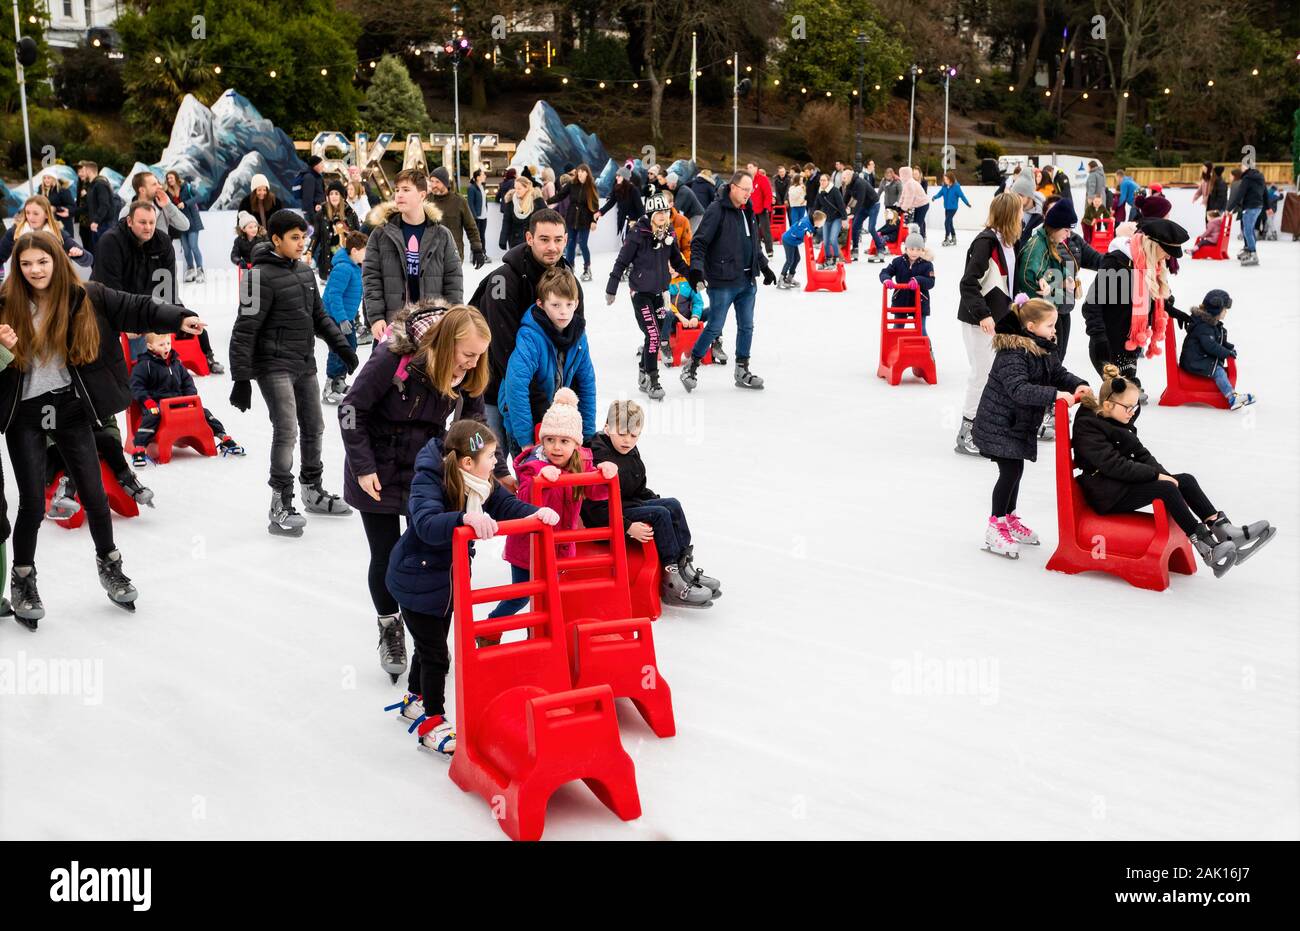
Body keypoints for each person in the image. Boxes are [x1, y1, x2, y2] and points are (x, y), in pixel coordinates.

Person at [0, 230, 205, 625]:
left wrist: (179, 317)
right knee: (29, 503)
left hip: (70, 408)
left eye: (42, 262)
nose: (35, 270)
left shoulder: (86, 296)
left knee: (95, 495)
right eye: (26, 264)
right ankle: (23, 579)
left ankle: (110, 566)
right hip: (24, 414)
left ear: (57, 260)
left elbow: (137, 307)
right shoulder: (6, 304)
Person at [382, 419, 558, 754]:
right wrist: (462, 519)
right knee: (436, 654)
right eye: (490, 456)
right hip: (415, 579)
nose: (495, 463)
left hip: (443, 583)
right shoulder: (429, 480)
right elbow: (426, 524)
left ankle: (414, 699)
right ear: (466, 462)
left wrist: (537, 513)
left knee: (427, 644)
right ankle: (433, 721)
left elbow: (505, 506)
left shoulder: (479, 485)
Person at [341, 303, 492, 683]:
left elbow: (474, 427)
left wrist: (495, 470)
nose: (473, 364)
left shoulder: (468, 373)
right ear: (445, 343)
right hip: (375, 466)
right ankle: (390, 627)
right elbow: (350, 408)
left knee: (428, 552)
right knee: (387, 553)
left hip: (423, 469)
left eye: (479, 355)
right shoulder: (395, 357)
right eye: (467, 355)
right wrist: (363, 467)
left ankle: (425, 638)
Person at [227, 209, 359, 535]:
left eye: (304, 237)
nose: (302, 244)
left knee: (314, 425)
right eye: (295, 238)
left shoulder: (304, 272)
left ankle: (312, 489)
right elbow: (244, 329)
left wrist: (341, 346)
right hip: (272, 365)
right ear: (276, 240)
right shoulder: (257, 277)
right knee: (286, 429)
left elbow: (320, 317)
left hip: (303, 362)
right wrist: (241, 378)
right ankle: (280, 502)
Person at [1072, 365, 1274, 576]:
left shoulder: (1117, 419)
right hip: (1107, 493)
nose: (1133, 413)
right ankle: (1208, 549)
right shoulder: (1089, 427)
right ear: (1108, 404)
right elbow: (1113, 465)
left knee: (1185, 480)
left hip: (1120, 483)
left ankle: (1225, 531)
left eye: (1135, 407)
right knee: (1166, 489)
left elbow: (1142, 455)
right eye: (1128, 407)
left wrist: (1165, 475)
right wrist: (1157, 477)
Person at [481, 390, 616, 641]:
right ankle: (491, 627)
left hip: (559, 547)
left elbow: (595, 493)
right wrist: (540, 480)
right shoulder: (533, 465)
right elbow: (523, 500)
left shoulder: (581, 464)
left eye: (564, 441)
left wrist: (603, 474)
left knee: (549, 594)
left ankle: (539, 637)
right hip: (527, 549)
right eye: (550, 440)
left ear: (576, 444)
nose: (556, 447)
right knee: (522, 594)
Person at [973, 297, 1092, 559]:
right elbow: (1019, 390)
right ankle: (996, 525)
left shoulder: (1043, 347)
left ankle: (1009, 517)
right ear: (1030, 325)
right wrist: (1055, 395)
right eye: (1050, 325)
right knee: (1011, 470)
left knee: (1016, 469)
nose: (1054, 331)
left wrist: (1076, 384)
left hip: (1017, 424)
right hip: (1000, 423)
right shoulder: (1012, 353)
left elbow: (1057, 374)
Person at [470, 208, 582, 484]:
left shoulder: (569, 281)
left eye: (558, 239)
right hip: (492, 390)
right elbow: (503, 352)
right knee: (487, 471)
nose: (552, 246)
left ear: (566, 240)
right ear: (529, 238)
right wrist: (542, 405)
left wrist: (567, 402)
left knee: (541, 474)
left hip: (544, 393)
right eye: (544, 239)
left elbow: (575, 344)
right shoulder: (503, 281)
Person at [581, 399, 719, 607]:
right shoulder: (600, 457)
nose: (627, 440)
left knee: (672, 505)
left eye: (634, 435)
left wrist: (659, 501)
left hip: (626, 505)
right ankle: (671, 581)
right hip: (605, 517)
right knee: (659, 514)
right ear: (607, 428)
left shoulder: (629, 451)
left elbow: (637, 489)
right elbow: (594, 509)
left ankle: (684, 567)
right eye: (622, 433)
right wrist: (627, 526)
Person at [92, 199, 223, 374]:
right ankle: (135, 378)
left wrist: (176, 315)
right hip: (111, 303)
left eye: (152, 222)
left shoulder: (162, 241)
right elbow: (109, 287)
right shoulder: (111, 242)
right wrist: (126, 321)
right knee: (132, 338)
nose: (148, 227)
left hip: (148, 301)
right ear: (130, 222)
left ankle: (204, 357)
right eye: (142, 222)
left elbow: (168, 286)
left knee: (187, 317)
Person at [680, 171, 775, 392]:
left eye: (751, 191)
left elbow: (754, 244)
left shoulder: (748, 210)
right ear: (733, 187)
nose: (748, 194)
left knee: (747, 327)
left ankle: (742, 369)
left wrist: (764, 266)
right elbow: (699, 243)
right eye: (745, 190)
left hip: (747, 280)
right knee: (714, 326)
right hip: (722, 280)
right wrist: (696, 269)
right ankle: (691, 366)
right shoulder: (716, 210)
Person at [605, 193, 696, 401]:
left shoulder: (668, 233)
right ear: (650, 214)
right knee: (654, 335)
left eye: (665, 211)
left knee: (653, 336)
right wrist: (612, 287)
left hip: (661, 294)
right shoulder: (638, 234)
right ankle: (654, 381)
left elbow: (678, 261)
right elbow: (621, 262)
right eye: (658, 212)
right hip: (641, 294)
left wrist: (693, 277)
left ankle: (643, 370)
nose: (663, 216)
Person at [1081, 217, 1188, 391]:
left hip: (1130, 344)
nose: (1168, 257)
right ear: (1154, 246)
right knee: (1118, 398)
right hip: (1109, 345)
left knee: (1129, 399)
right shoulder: (1116, 263)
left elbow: (1151, 299)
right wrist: (1098, 337)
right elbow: (1091, 305)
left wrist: (1173, 311)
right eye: (1167, 251)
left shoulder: (1149, 265)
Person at [955, 192, 1023, 456]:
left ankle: (986, 427)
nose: (1021, 217)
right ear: (1009, 215)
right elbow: (968, 283)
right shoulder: (986, 242)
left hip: (999, 320)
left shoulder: (1008, 242)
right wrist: (983, 314)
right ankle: (967, 433)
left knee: (996, 376)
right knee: (981, 375)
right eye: (1018, 212)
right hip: (979, 322)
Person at [362, 168, 463, 341]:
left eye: (406, 190)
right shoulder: (381, 234)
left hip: (432, 326)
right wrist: (376, 317)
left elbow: (453, 280)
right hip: (392, 325)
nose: (399, 195)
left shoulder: (442, 235)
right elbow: (371, 278)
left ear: (422, 195)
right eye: (397, 190)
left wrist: (451, 318)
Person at [502, 267, 595, 450]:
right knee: (532, 476)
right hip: (523, 418)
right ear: (541, 304)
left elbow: (587, 384)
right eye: (556, 305)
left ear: (576, 304)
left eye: (569, 305)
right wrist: (525, 441)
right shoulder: (530, 336)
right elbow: (516, 386)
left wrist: (588, 436)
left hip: (556, 421)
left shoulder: (579, 337)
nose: (563, 312)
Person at [128, 331, 243, 460]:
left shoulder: (176, 363)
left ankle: (224, 437)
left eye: (168, 343)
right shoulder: (144, 365)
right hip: (157, 404)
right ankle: (140, 447)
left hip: (179, 402)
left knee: (203, 412)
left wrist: (190, 398)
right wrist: (148, 402)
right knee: (152, 417)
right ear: (150, 347)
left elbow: (188, 382)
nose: (166, 347)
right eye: (161, 345)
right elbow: (136, 387)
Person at [1174, 289, 1254, 410]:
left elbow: (1216, 341)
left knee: (1218, 368)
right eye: (1225, 309)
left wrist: (1227, 346)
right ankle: (1232, 397)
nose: (1226, 312)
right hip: (1194, 362)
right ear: (1216, 310)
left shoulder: (1209, 323)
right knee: (1218, 371)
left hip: (1199, 358)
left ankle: (1231, 395)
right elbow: (1210, 346)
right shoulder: (1203, 326)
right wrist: (1227, 353)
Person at [321, 231, 368, 404]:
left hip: (345, 317)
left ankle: (339, 380)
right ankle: (330, 386)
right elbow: (334, 295)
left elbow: (352, 296)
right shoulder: (343, 268)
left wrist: (352, 317)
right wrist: (341, 318)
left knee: (350, 347)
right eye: (365, 250)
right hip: (334, 317)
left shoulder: (355, 267)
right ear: (355, 251)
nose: (367, 254)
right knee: (338, 350)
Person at [0, 196, 91, 269]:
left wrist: (79, 254)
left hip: (53, 283)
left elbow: (88, 260)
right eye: (27, 213)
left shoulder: (57, 233)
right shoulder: (16, 231)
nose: (30, 217)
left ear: (47, 214)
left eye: (36, 213)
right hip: (23, 283)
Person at [548, 163, 600, 278]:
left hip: (585, 220)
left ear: (587, 173)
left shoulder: (591, 187)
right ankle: (569, 268)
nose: (580, 173)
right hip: (571, 219)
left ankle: (587, 268)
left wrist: (594, 221)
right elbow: (560, 196)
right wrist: (547, 201)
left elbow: (595, 206)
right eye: (579, 171)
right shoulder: (572, 184)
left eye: (583, 171)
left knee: (583, 244)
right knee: (570, 244)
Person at [427, 166, 486, 268]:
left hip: (453, 254)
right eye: (432, 181)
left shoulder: (459, 201)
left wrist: (477, 249)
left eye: (437, 182)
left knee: (452, 283)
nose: (433, 185)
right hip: (431, 255)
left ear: (445, 183)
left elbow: (471, 227)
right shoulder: (426, 201)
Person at [879, 227, 935, 333]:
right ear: (906, 249)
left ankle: (927, 348)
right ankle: (896, 346)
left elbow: (931, 282)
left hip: (920, 301)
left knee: (921, 329)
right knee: (898, 327)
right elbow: (885, 272)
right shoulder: (898, 262)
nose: (915, 252)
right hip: (901, 300)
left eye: (918, 249)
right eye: (911, 249)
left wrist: (918, 280)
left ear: (922, 250)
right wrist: (886, 279)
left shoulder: (927, 265)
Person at [118, 171, 190, 238]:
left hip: (163, 250)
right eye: (154, 184)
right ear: (142, 190)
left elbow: (185, 226)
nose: (160, 187)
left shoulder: (163, 205)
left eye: (158, 183)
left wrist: (169, 205)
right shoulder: (127, 211)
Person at [311, 182, 360, 281]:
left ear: (342, 196)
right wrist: (309, 252)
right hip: (328, 262)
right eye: (331, 194)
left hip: (347, 261)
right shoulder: (321, 214)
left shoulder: (351, 214)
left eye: (336, 193)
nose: (333, 196)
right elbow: (315, 236)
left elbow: (358, 237)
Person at [164, 170, 205, 283]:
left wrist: (185, 203)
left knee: (193, 246)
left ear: (176, 178)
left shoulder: (186, 187)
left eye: (171, 178)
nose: (169, 180)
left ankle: (200, 270)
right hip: (179, 224)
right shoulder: (167, 192)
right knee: (186, 250)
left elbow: (198, 196)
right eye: (168, 178)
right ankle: (190, 270)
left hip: (192, 221)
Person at [1226, 160, 1268, 266]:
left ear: (1246, 167)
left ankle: (1253, 254)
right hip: (1258, 206)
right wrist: (1268, 207)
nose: (1241, 168)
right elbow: (1265, 192)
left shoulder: (1247, 178)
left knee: (1247, 231)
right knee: (1249, 230)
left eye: (1242, 166)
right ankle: (1249, 250)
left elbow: (1239, 195)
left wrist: (1229, 209)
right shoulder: (1260, 177)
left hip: (1250, 207)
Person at [498, 173, 546, 256]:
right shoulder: (511, 202)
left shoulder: (537, 201)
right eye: (515, 188)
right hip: (515, 241)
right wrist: (503, 239)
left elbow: (547, 218)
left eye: (519, 188)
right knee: (517, 265)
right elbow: (506, 221)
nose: (516, 191)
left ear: (526, 188)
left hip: (533, 240)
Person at [777, 208, 825, 289]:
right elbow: (797, 230)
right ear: (817, 220)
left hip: (793, 242)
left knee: (797, 259)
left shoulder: (812, 223)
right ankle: (781, 279)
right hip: (788, 240)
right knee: (790, 260)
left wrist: (811, 231)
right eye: (822, 222)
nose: (823, 224)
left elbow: (811, 230)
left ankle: (790, 278)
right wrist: (805, 232)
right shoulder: (805, 223)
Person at [76, 161, 119, 247]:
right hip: (98, 225)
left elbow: (104, 205)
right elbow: (88, 206)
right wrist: (70, 211)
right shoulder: (93, 185)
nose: (81, 173)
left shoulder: (100, 184)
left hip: (103, 225)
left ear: (88, 171)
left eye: (83, 170)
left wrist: (96, 221)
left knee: (103, 250)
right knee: (97, 251)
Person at [600, 169, 645, 246]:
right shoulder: (617, 188)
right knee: (625, 243)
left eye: (619, 176)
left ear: (625, 177)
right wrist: (600, 212)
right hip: (622, 221)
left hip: (632, 223)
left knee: (630, 245)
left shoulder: (633, 190)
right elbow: (611, 203)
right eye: (616, 176)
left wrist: (637, 222)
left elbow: (640, 209)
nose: (616, 177)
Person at [812, 172, 847, 269]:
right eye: (821, 180)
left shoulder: (834, 191)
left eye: (824, 180)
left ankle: (835, 259)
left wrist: (844, 218)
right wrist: (811, 217)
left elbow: (841, 205)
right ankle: (828, 259)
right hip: (827, 219)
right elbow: (816, 206)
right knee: (826, 241)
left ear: (828, 181)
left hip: (837, 218)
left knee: (832, 239)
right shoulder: (820, 192)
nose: (822, 182)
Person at [841, 167, 876, 257]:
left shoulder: (859, 183)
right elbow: (845, 199)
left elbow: (860, 200)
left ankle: (881, 248)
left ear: (849, 176)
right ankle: (855, 249)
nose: (843, 180)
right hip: (864, 205)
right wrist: (840, 210)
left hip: (873, 204)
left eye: (844, 178)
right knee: (855, 226)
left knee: (871, 228)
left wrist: (853, 213)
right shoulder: (849, 184)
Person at [932, 171, 972, 247]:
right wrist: (935, 197)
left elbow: (962, 196)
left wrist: (967, 203)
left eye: (946, 179)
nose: (945, 180)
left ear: (950, 179)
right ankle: (954, 238)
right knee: (949, 223)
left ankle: (947, 238)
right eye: (944, 179)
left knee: (946, 222)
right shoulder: (944, 186)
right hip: (947, 207)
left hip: (953, 208)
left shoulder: (956, 187)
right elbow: (940, 193)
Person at [746, 163, 775, 259]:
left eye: (750, 167)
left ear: (756, 168)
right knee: (754, 231)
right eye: (747, 167)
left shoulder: (762, 179)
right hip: (751, 209)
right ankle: (757, 249)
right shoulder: (747, 179)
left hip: (762, 209)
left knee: (765, 230)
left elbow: (768, 193)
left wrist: (767, 207)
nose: (748, 169)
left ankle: (769, 250)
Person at [37, 174, 76, 240]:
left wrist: (56, 209)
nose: (46, 180)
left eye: (49, 178)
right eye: (44, 178)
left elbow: (72, 207)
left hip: (62, 224)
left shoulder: (62, 190)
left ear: (54, 178)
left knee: (63, 246)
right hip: (48, 223)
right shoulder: (41, 190)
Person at [294, 155, 326, 219]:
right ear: (315, 165)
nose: (323, 166)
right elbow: (307, 198)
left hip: (317, 211)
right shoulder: (309, 177)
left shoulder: (316, 176)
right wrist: (311, 216)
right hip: (312, 214)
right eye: (321, 163)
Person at [466, 168, 490, 257]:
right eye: (483, 175)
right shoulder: (472, 188)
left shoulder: (482, 186)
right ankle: (474, 254)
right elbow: (470, 203)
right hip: (477, 217)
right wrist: (474, 216)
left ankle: (483, 253)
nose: (485, 176)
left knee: (482, 236)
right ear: (478, 177)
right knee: (476, 236)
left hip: (484, 216)